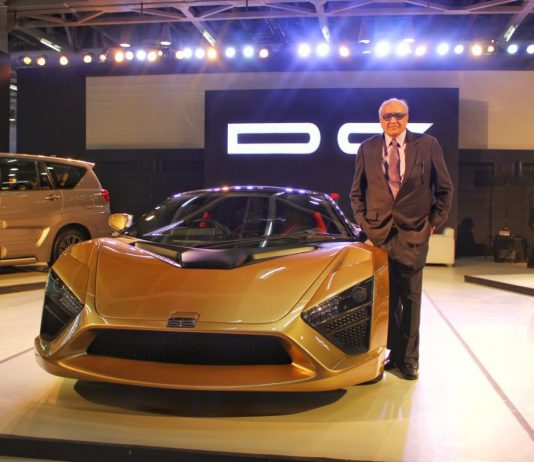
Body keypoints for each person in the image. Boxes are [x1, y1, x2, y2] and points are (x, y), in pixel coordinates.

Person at [350, 98, 453, 380]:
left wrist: (433, 222)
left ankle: (408, 359)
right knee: (386, 299)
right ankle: (390, 355)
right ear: (380, 120)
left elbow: (444, 189)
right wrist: (366, 225)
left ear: (407, 117)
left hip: (413, 233)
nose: (393, 120)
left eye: (398, 115)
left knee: (410, 298)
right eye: (387, 116)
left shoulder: (428, 144)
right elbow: (357, 192)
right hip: (379, 235)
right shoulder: (367, 148)